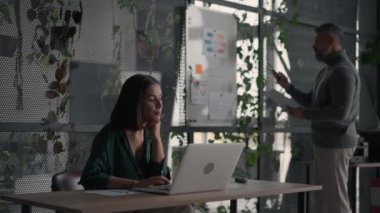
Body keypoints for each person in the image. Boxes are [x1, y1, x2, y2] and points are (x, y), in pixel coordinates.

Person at [273, 23, 360, 213]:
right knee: (327, 200)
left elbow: (340, 112)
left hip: (336, 144)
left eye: (317, 41)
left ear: (331, 42)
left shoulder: (343, 72)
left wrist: (305, 114)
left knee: (336, 202)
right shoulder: (328, 71)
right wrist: (288, 87)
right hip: (326, 144)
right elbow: (312, 101)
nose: (313, 46)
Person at [79, 74, 193, 213]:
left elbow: (159, 178)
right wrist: (136, 184)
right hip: (118, 207)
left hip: (144, 205)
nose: (160, 104)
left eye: (160, 98)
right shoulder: (110, 135)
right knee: (184, 209)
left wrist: (157, 136)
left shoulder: (150, 135)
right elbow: (91, 177)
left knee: (187, 208)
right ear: (136, 103)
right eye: (152, 99)